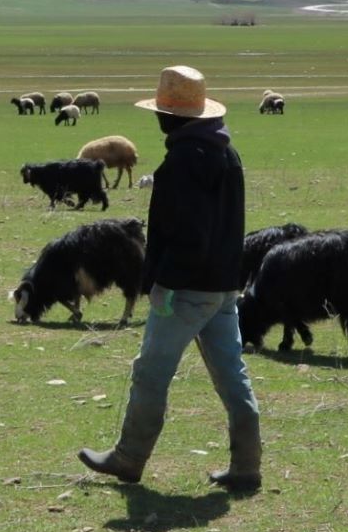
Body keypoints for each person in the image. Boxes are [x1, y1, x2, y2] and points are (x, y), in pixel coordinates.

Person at [78, 65, 260, 495]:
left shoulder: (182, 161)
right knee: (232, 373)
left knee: (151, 372)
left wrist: (164, 281)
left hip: (186, 289)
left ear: (173, 117)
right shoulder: (226, 153)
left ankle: (128, 457)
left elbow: (185, 232)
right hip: (223, 285)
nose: (157, 118)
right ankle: (247, 464)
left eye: (161, 111)